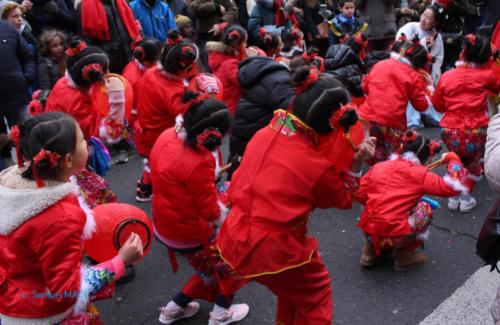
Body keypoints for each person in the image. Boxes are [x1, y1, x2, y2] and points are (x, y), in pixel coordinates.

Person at [217, 67, 376, 325]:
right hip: (276, 248)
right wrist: (356, 163)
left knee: (292, 292)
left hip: (235, 234)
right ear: (332, 124)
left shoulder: (265, 133)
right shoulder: (314, 165)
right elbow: (344, 197)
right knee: (315, 293)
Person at [0, 112, 143, 324]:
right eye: (83, 140)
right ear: (68, 160)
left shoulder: (13, 183)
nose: (87, 143)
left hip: (16, 297)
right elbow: (67, 292)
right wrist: (120, 262)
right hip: (43, 312)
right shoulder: (60, 219)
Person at [150, 93, 249, 325]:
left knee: (208, 267)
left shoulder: (167, 136)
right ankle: (220, 314)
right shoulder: (199, 161)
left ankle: (173, 310)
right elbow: (210, 212)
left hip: (166, 223)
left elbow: (180, 179)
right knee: (234, 262)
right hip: (191, 233)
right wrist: (232, 220)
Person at [357, 130, 470, 271]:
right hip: (396, 234)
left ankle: (369, 252)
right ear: (425, 157)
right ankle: (404, 256)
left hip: (369, 230)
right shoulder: (420, 174)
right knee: (424, 208)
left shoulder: (379, 167)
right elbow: (453, 187)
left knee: (372, 208)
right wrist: (454, 160)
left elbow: (360, 194)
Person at [432, 34, 500, 212]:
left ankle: (453, 196)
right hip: (475, 129)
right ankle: (465, 197)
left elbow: (438, 105)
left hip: (449, 129)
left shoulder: (447, 76)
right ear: (486, 58)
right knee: (474, 164)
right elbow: (497, 88)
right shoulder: (487, 75)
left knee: (456, 159)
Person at [135, 30, 198, 202]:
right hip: (158, 133)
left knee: (150, 161)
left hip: (144, 127)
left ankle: (145, 186)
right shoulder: (171, 89)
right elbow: (182, 112)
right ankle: (147, 189)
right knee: (158, 163)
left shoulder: (152, 72)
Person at [358, 37, 431, 164]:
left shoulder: (379, 64)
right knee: (388, 159)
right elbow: (422, 105)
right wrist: (429, 87)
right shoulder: (413, 75)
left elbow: (365, 88)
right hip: (392, 122)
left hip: (367, 117)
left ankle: (369, 179)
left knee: (368, 151)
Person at [46, 38, 129, 145]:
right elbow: (105, 132)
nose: (108, 74)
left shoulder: (66, 82)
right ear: (90, 78)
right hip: (70, 149)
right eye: (104, 71)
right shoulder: (76, 101)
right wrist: (117, 99)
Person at [228, 55, 294, 177]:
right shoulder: (282, 81)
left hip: (243, 132)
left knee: (236, 177)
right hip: (257, 139)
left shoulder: (261, 75)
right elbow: (291, 114)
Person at [76, 0, 141, 73]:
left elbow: (135, 28)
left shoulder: (123, 2)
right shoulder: (84, 7)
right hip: (109, 66)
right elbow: (87, 43)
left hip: (132, 60)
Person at [0, 20, 36, 131]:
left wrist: (27, 76)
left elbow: (27, 55)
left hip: (16, 95)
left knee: (27, 134)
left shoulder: (6, 28)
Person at [207, 24, 248, 114]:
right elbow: (245, 81)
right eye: (245, 42)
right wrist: (253, 59)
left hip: (224, 104)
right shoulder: (231, 64)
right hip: (232, 108)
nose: (247, 45)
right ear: (237, 45)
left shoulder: (221, 57)